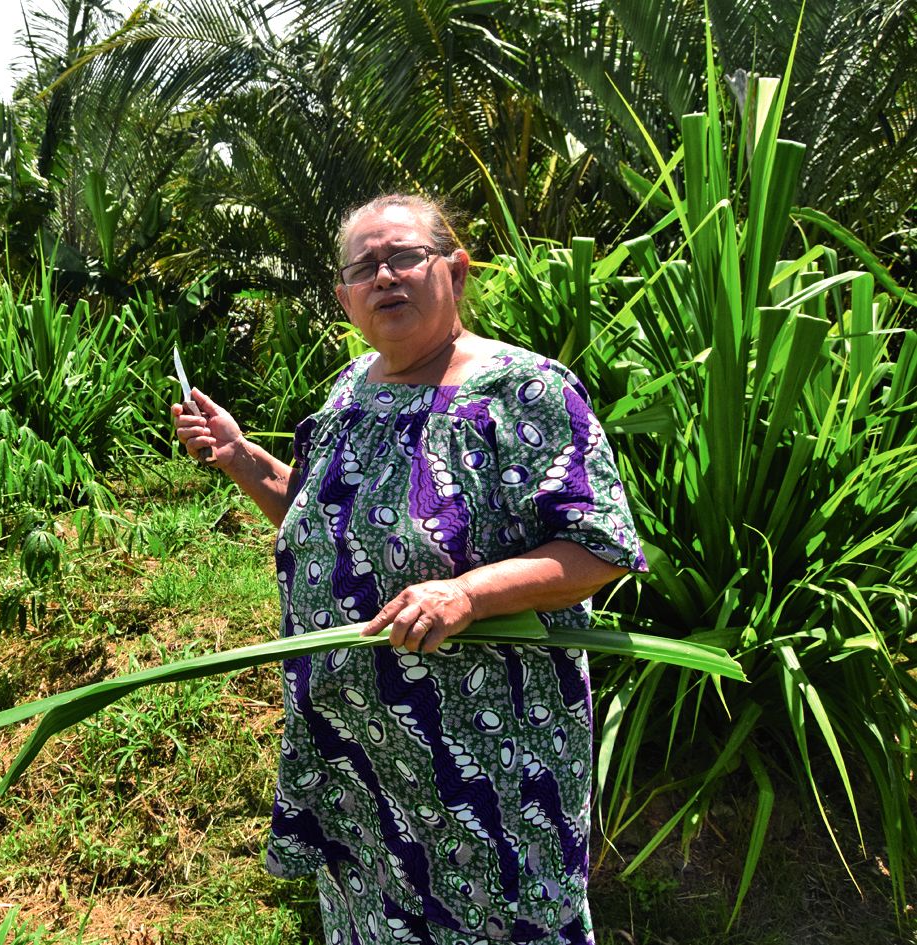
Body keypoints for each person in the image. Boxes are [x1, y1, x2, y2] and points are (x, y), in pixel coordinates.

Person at [171, 193, 647, 945]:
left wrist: (464, 594)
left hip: (482, 775)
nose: (383, 276)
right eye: (364, 267)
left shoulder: (523, 390)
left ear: (454, 271)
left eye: (403, 257)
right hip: (358, 767)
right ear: (343, 297)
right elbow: (324, 521)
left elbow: (598, 547)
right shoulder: (352, 385)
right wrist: (237, 456)